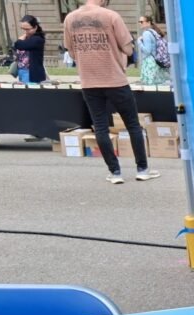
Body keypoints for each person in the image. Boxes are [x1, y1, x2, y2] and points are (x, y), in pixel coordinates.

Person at [63, 0, 159, 185]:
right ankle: (142, 169)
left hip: (89, 80)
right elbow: (128, 48)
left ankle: (115, 172)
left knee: (100, 126)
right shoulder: (111, 16)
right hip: (115, 79)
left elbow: (71, 52)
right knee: (132, 124)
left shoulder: (70, 19)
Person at [13, 15, 46, 84]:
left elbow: (18, 45)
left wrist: (20, 39)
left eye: (27, 29)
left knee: (29, 93)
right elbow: (15, 47)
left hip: (30, 72)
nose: (25, 32)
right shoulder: (27, 38)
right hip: (22, 71)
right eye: (23, 29)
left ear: (35, 27)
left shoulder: (37, 39)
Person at [137, 15, 169, 85]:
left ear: (148, 22)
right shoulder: (154, 32)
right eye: (139, 22)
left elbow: (147, 51)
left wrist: (139, 42)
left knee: (149, 86)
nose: (140, 23)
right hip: (156, 62)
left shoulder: (146, 33)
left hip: (149, 63)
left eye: (142, 22)